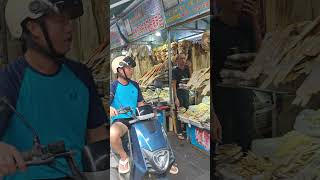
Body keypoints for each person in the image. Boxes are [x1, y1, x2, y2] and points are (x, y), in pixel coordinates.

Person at [0, 0, 108, 179]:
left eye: (69, 20)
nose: (69, 28)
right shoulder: (9, 81)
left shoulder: (81, 76)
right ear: (34, 28)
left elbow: (98, 136)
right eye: (60, 20)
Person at [110, 56, 179, 175]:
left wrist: (149, 109)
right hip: (122, 120)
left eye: (132, 68)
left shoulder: (135, 85)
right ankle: (123, 157)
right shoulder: (113, 86)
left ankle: (166, 160)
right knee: (113, 133)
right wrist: (110, 108)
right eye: (128, 68)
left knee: (158, 128)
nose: (132, 70)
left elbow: (140, 103)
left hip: (138, 117)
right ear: (119, 70)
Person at [213, 0, 262, 151]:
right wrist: (212, 116)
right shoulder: (213, 28)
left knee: (246, 148)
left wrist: (255, 22)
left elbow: (261, 59)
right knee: (226, 152)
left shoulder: (247, 25)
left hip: (244, 100)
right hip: (222, 105)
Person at [172, 53, 191, 140]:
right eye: (181, 58)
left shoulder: (187, 69)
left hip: (186, 93)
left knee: (187, 111)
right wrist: (176, 98)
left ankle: (186, 129)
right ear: (178, 60)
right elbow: (174, 85)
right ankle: (179, 131)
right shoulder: (175, 71)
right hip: (178, 94)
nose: (183, 60)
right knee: (179, 113)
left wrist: (190, 68)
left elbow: (190, 79)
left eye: (184, 58)